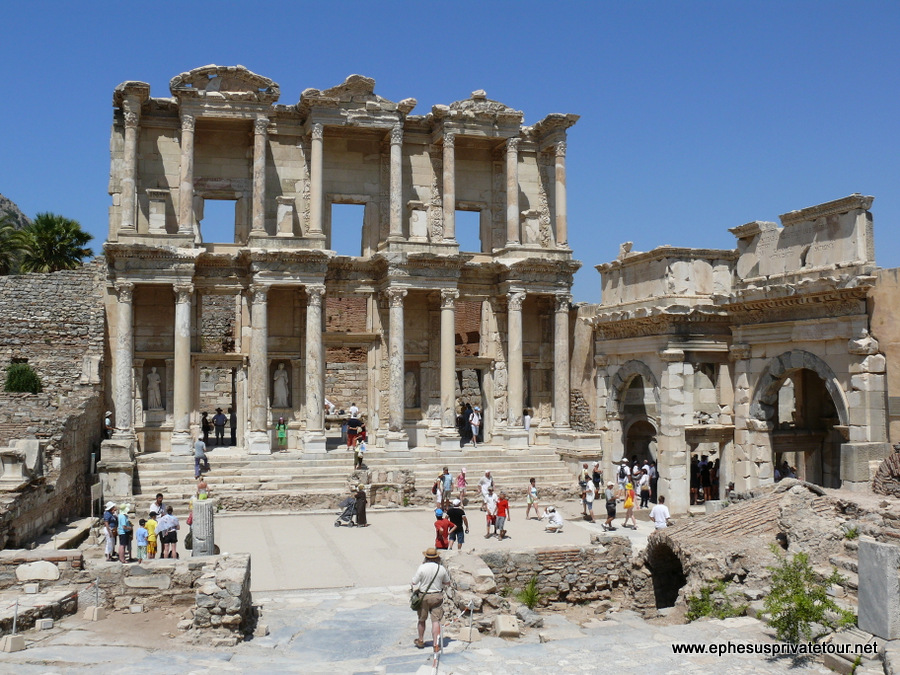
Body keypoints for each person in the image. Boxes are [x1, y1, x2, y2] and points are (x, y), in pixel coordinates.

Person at [411, 547, 452, 653]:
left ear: (426, 557)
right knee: (436, 621)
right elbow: (447, 582)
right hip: (437, 596)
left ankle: (420, 640)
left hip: (424, 596)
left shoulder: (422, 568)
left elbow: (414, 582)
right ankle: (436, 644)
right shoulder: (441, 568)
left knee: (421, 619)